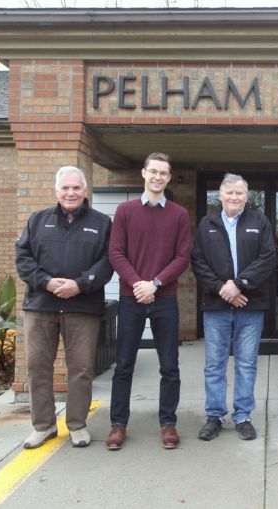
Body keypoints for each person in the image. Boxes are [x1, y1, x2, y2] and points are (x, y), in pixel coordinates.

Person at [16, 166, 113, 449]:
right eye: (65, 188)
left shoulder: (102, 222)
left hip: (83, 307)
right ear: (56, 191)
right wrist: (45, 282)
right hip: (41, 305)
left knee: (81, 368)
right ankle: (44, 426)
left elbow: (108, 261)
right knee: (37, 367)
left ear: (85, 191)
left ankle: (77, 425)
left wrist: (80, 285)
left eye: (76, 188)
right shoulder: (37, 221)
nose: (71, 193)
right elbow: (23, 258)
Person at [105, 152, 191, 451]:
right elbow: (116, 253)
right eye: (153, 171)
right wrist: (138, 284)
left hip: (165, 299)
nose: (158, 177)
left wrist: (154, 283)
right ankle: (118, 425)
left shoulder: (179, 214)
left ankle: (168, 423)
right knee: (124, 365)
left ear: (168, 178)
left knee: (170, 366)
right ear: (143, 173)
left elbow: (182, 257)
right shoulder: (125, 211)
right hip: (131, 299)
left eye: (163, 173)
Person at [191, 173, 276, 441]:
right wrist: (222, 289)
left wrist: (240, 285)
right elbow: (198, 261)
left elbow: (268, 257)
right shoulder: (207, 224)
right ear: (220, 195)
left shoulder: (259, 221)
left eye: (239, 193)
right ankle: (215, 415)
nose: (234, 197)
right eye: (229, 193)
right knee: (214, 364)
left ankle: (243, 416)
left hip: (250, 305)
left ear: (247, 197)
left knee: (246, 363)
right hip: (216, 306)